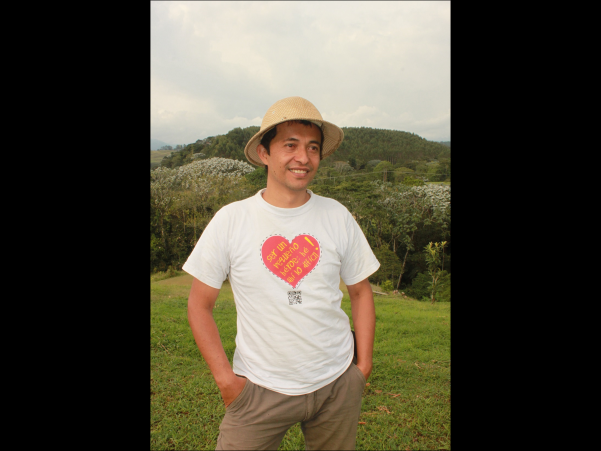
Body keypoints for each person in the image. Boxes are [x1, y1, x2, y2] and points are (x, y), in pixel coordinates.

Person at [184, 96, 380, 450]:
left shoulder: (336, 215)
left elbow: (361, 291)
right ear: (264, 153)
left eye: (313, 147)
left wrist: (361, 367)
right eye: (290, 145)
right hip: (258, 388)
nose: (303, 157)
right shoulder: (232, 220)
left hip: (337, 382)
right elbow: (200, 305)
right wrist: (226, 380)